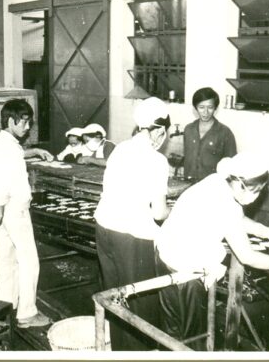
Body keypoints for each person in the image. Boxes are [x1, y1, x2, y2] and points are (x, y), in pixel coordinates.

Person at [155, 152, 269, 351]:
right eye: (255, 191)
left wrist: (267, 231)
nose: (256, 197)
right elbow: (246, 255)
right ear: (239, 183)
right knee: (192, 337)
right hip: (185, 270)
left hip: (166, 254)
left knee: (173, 330)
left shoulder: (217, 182)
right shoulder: (225, 202)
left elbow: (236, 219)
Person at [94, 97, 171, 351]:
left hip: (104, 228)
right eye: (165, 135)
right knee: (140, 304)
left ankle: (119, 351)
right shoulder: (157, 160)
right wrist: (174, 212)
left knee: (115, 297)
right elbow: (159, 213)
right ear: (159, 131)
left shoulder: (120, 149)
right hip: (132, 238)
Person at [0, 98, 54, 328]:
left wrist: (34, 150)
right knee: (29, 261)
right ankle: (27, 313)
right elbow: (5, 180)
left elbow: (13, 157)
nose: (28, 127)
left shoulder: (2, 144)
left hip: (5, 211)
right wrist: (2, 203)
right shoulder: (9, 148)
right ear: (10, 121)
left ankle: (4, 308)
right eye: (24, 122)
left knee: (6, 261)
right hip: (15, 209)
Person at [183, 87, 237, 181]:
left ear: (215, 108)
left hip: (212, 187)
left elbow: (231, 168)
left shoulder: (225, 132)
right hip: (188, 186)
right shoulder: (188, 130)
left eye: (210, 107)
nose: (205, 112)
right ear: (195, 107)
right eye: (201, 107)